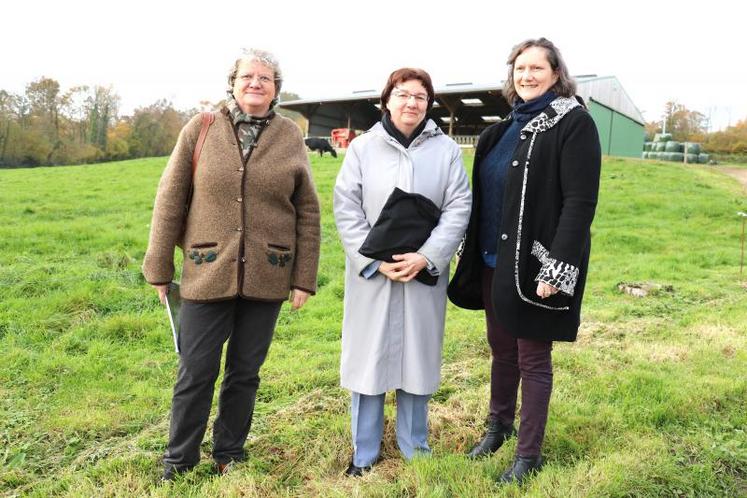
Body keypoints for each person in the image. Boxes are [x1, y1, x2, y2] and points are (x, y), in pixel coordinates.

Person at [142, 48, 320, 481]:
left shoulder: (290, 135)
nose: (255, 83)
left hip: (268, 273)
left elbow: (308, 211)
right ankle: (179, 461)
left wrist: (303, 278)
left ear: (276, 86)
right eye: (247, 76)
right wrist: (159, 267)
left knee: (245, 373)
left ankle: (230, 454)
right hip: (207, 269)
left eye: (265, 77)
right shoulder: (201, 128)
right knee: (195, 372)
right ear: (233, 83)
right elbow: (170, 198)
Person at [448, 38, 601, 484]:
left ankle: (528, 455)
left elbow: (579, 203)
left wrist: (558, 267)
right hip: (494, 260)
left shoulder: (573, 123)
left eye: (537, 68)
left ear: (556, 74)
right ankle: (498, 427)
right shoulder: (499, 131)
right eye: (520, 68)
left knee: (533, 356)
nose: (527, 75)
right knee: (501, 351)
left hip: (538, 266)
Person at [334, 68, 471, 477]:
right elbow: (346, 207)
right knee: (368, 358)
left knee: (417, 356)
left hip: (422, 273)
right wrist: (374, 262)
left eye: (421, 97)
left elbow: (458, 207)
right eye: (403, 94)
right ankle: (364, 453)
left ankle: (416, 448)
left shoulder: (446, 150)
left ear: (429, 105)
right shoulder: (362, 149)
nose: (412, 103)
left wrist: (427, 257)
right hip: (373, 275)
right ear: (387, 100)